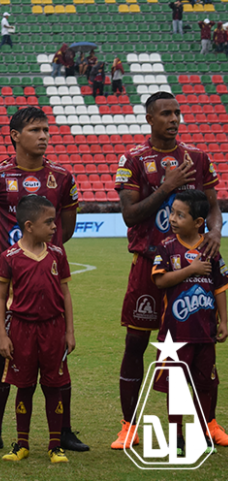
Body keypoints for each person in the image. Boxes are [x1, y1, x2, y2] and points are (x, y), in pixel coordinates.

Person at [0, 107, 87, 453]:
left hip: (48, 282)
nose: (44, 136)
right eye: (35, 130)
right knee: (0, 356)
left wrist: (46, 258)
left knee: (57, 358)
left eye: (46, 130)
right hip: (10, 285)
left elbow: (67, 225)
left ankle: (63, 431)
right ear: (15, 135)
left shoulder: (62, 177)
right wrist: (10, 259)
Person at [111, 91, 223, 449]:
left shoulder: (197, 157)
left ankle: (209, 423)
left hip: (194, 266)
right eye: (165, 114)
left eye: (177, 113)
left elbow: (215, 207)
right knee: (136, 343)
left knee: (203, 344)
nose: (174, 119)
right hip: (148, 265)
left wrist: (216, 232)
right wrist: (166, 188)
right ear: (149, 119)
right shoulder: (134, 159)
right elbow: (130, 215)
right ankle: (129, 426)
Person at [0, 195, 75, 464]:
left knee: (54, 386)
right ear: (29, 226)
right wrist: (2, 335)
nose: (55, 226)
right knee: (24, 386)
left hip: (53, 329)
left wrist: (69, 332)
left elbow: (66, 293)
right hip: (21, 329)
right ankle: (22, 443)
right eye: (49, 222)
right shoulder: (10, 257)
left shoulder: (57, 254)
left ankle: (55, 445)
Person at [151, 190, 228, 448]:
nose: (173, 218)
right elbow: (160, 280)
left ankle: (204, 432)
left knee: (204, 385)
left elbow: (219, 287)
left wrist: (224, 320)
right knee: (176, 388)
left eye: (180, 215)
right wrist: (191, 270)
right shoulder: (166, 247)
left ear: (198, 222)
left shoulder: (211, 249)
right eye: (172, 213)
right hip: (175, 335)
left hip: (204, 333)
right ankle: (176, 435)